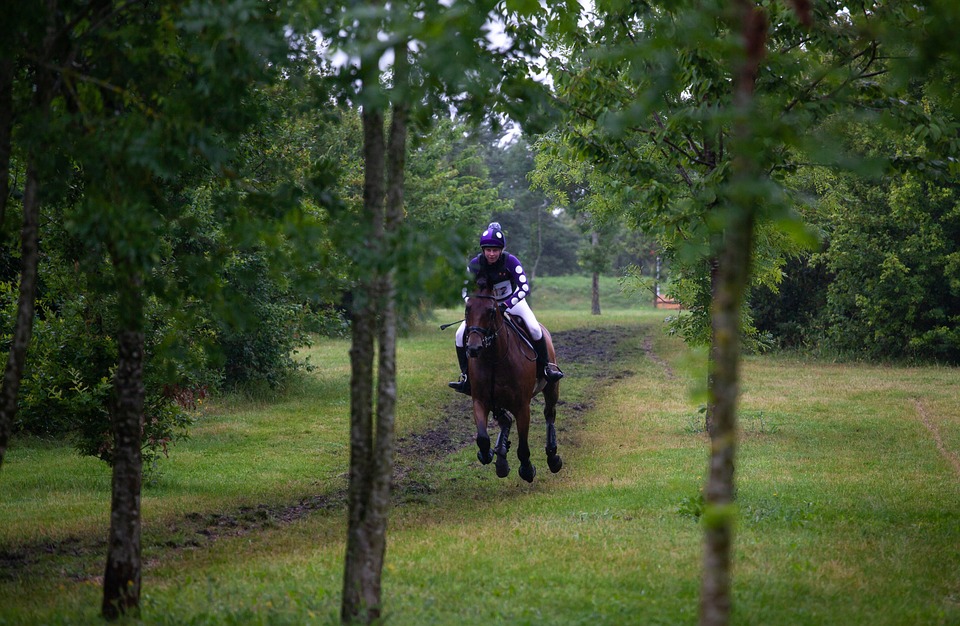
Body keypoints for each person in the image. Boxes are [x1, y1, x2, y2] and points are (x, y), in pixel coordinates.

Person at [449, 222, 564, 394]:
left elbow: (524, 287)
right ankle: (465, 377)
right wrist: (473, 305)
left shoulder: (511, 261)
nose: (492, 254)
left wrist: (506, 305)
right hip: (484, 308)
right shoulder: (475, 264)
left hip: (512, 303)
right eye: (488, 250)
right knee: (459, 335)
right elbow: (464, 289)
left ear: (501, 250)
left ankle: (546, 368)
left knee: (534, 328)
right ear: (483, 250)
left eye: (495, 250)